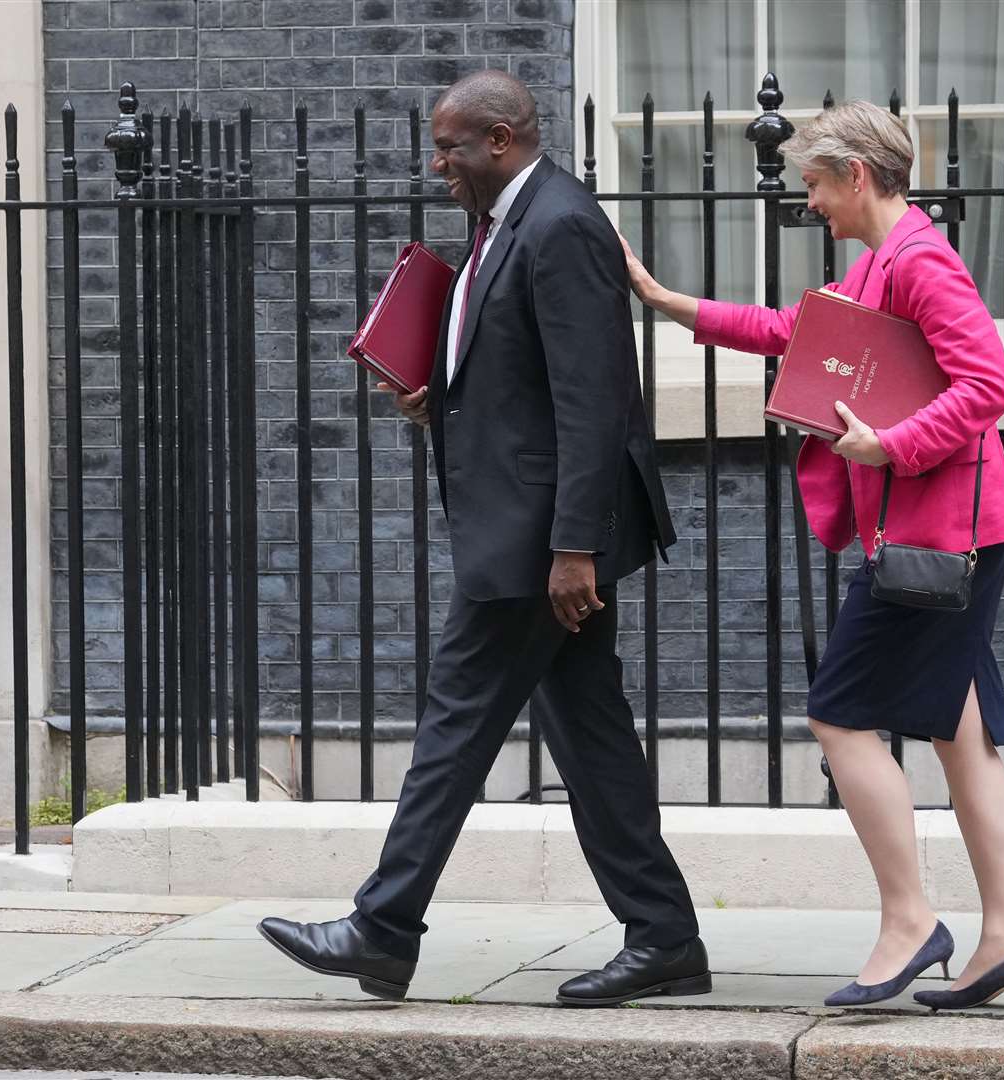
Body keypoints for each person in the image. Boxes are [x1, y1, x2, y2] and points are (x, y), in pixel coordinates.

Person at [259, 69, 710, 1008]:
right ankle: (663, 936)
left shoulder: (561, 224)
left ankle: (383, 927)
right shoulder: (506, 222)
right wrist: (444, 400)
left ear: (500, 140)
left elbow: (596, 403)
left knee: (457, 719)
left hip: (539, 540)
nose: (439, 165)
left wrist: (574, 548)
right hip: (530, 526)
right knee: (591, 737)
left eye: (452, 147)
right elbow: (522, 374)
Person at [620, 99, 1004, 1012]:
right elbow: (793, 335)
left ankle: (909, 922)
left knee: (841, 715)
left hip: (937, 538)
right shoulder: (885, 262)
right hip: (961, 534)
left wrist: (891, 446)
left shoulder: (919, 264)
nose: (808, 202)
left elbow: (990, 385)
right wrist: (666, 301)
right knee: (958, 732)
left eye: (813, 183)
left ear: (857, 175)